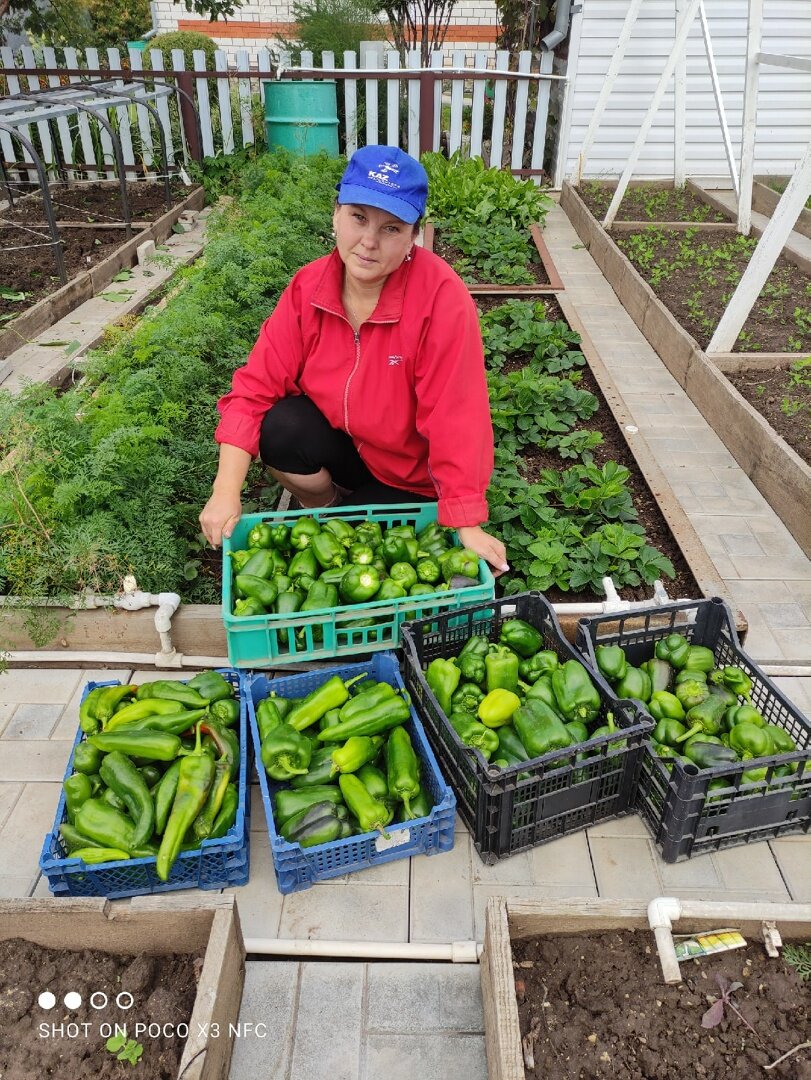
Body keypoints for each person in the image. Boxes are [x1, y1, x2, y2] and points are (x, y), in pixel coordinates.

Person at [199, 144, 509, 575]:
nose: (368, 242)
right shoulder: (310, 287)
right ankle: (328, 506)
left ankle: (352, 512)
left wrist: (466, 523)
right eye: (358, 217)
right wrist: (225, 491)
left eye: (391, 228)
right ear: (336, 214)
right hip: (347, 449)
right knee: (282, 428)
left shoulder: (440, 298)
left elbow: (457, 416)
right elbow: (254, 389)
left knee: (355, 558)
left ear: (413, 237)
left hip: (410, 475)